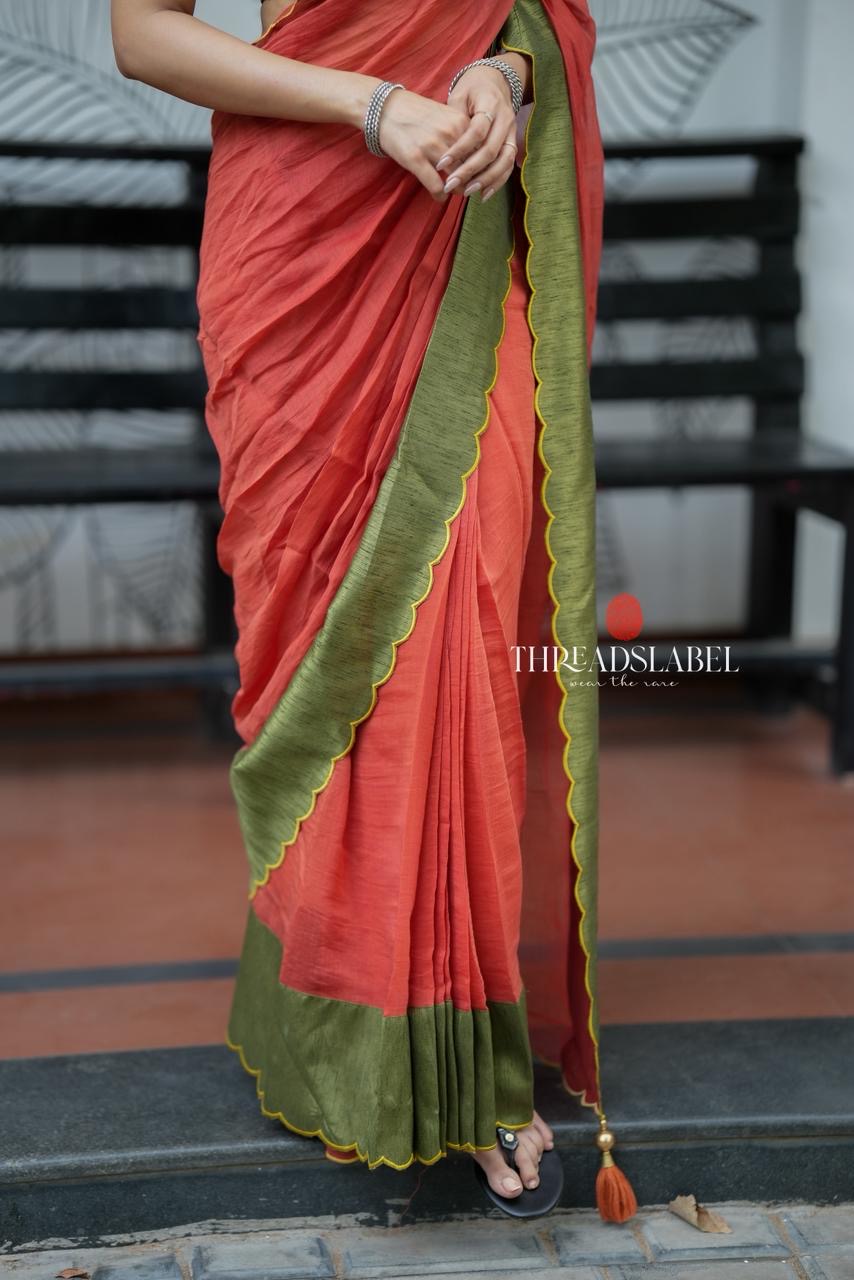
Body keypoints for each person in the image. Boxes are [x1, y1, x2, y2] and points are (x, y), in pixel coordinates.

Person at [110, 0, 636, 1221]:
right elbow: (141, 33)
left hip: (458, 215)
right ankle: (358, 1019)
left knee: (461, 628)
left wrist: (504, 75)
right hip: (304, 245)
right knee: (339, 658)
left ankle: (470, 1045)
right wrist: (369, 103)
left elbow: (543, 11)